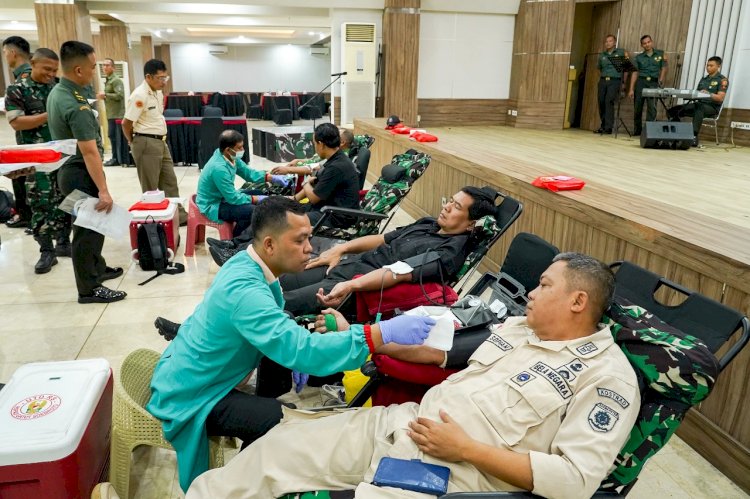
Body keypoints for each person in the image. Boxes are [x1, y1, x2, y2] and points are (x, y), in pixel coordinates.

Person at [185, 253, 640, 498]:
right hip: (402, 424)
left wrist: (466, 449)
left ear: (578, 302)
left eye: (544, 285)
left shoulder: (606, 378)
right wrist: (372, 337)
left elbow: (574, 481)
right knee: (276, 449)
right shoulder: (519, 328)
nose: (532, 294)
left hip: (453, 472)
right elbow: (441, 355)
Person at [146, 196, 436, 491]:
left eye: (308, 238)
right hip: (192, 394)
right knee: (277, 420)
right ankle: (237, 485)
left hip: (195, 372)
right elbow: (303, 350)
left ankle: (255, 456)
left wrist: (297, 333)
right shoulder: (246, 292)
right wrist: (378, 333)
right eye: (299, 240)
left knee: (277, 373)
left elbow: (281, 328)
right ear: (270, 245)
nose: (310, 248)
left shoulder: (247, 264)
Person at [155, 186, 497, 341]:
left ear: (471, 223)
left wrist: (350, 284)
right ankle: (195, 327)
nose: (446, 207)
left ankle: (199, 337)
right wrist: (340, 249)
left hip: (360, 286)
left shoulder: (448, 251)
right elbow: (382, 240)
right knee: (270, 280)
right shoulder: (428, 224)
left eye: (456, 207)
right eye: (449, 201)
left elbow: (397, 273)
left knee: (279, 302)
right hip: (351, 266)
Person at [47, 41, 126, 304]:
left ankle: (97, 268)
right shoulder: (75, 104)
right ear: (79, 70)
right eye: (92, 67)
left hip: (68, 171)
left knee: (93, 226)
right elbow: (90, 152)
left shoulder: (59, 92)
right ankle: (89, 289)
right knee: (86, 232)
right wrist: (103, 190)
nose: (95, 72)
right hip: (79, 173)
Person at [4, 48, 72, 274]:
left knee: (65, 198)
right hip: (35, 159)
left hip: (61, 155)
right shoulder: (17, 89)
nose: (51, 74)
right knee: (40, 202)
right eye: (46, 69)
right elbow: (17, 122)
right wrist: (50, 115)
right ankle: (46, 251)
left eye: (54, 70)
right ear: (33, 64)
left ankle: (63, 241)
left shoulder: (58, 87)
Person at [121, 58, 187, 224]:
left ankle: (177, 216)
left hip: (160, 141)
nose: (164, 82)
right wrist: (133, 142)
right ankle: (155, 220)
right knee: (151, 188)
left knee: (170, 181)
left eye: (166, 77)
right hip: (145, 141)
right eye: (160, 78)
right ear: (148, 77)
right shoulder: (139, 95)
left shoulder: (157, 92)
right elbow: (126, 123)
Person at [196, 129, 279, 237]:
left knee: (260, 193)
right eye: (239, 148)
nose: (242, 150)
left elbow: (248, 173)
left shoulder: (229, 156)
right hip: (214, 204)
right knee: (252, 211)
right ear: (228, 149)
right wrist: (254, 199)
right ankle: (237, 240)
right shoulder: (219, 168)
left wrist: (270, 177)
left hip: (224, 197)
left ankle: (243, 234)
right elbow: (232, 198)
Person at [292, 123, 359, 227]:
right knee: (286, 210)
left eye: (314, 144)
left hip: (337, 217)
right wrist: (293, 199)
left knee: (290, 220)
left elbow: (314, 198)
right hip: (327, 209)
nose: (315, 147)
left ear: (321, 144)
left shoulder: (336, 167)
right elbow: (319, 186)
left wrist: (305, 183)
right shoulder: (336, 159)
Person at [2, 36, 33, 228]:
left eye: (5, 52)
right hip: (39, 142)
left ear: (13, 53)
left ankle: (28, 216)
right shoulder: (34, 77)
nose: (5, 56)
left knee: (27, 180)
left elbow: (17, 122)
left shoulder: (21, 82)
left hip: (30, 142)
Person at [667, 56, 728, 147]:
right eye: (707, 65)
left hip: (712, 107)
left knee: (699, 108)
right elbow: (696, 94)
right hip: (699, 104)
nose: (708, 67)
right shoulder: (704, 79)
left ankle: (693, 136)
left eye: (711, 66)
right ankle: (677, 134)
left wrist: (709, 94)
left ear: (718, 66)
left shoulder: (722, 80)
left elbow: (720, 98)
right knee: (673, 110)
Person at [629, 35, 668, 137]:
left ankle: (648, 132)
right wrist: (631, 89)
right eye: (644, 43)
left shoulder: (660, 54)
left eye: (648, 42)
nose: (647, 44)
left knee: (652, 108)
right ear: (642, 45)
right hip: (641, 82)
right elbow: (635, 73)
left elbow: (664, 68)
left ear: (652, 42)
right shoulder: (639, 57)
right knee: (637, 108)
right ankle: (637, 131)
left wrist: (661, 80)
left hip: (653, 83)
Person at [595, 34, 629, 135]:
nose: (608, 43)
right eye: (606, 41)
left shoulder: (621, 52)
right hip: (603, 80)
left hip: (615, 81)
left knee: (608, 101)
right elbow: (599, 68)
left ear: (614, 42)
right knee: (601, 102)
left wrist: (624, 82)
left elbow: (626, 69)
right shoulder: (602, 55)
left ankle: (608, 128)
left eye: (610, 41)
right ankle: (603, 125)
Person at [97, 58, 126, 166]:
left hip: (117, 114)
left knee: (115, 137)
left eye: (107, 65)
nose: (104, 67)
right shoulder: (108, 80)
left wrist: (105, 95)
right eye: (103, 65)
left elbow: (120, 95)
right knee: (112, 136)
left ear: (113, 67)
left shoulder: (116, 80)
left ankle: (117, 159)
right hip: (111, 113)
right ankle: (115, 158)